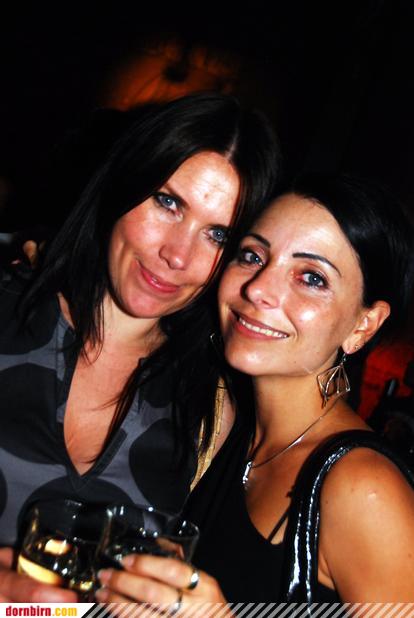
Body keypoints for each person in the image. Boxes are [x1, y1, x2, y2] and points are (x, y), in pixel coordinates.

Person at [0, 92, 281, 602]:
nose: (178, 255)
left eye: (218, 234)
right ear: (122, 183)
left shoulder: (209, 410)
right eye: (167, 202)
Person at [96, 173, 414, 606]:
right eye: (252, 256)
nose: (258, 288)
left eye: (311, 278)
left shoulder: (363, 489)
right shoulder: (229, 427)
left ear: (363, 325)